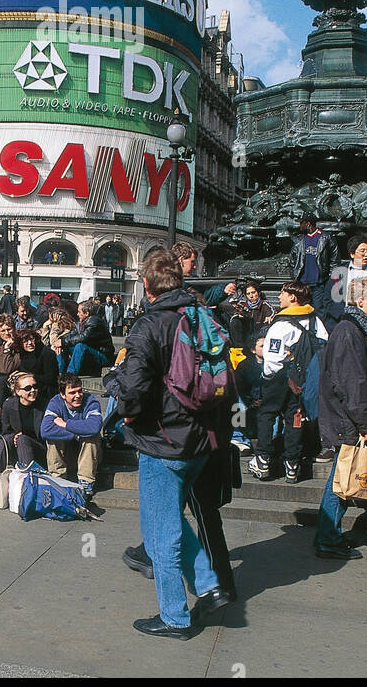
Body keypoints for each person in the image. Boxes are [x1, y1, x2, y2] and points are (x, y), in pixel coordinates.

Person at [116, 248, 230, 639]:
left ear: (147, 286)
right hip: (200, 439)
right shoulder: (201, 315)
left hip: (162, 443)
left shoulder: (149, 325)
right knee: (171, 521)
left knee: (159, 532)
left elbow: (134, 389)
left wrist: (126, 409)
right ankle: (207, 584)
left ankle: (175, 618)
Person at [314, 278, 367, 559]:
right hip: (349, 422)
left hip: (348, 419)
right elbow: (352, 383)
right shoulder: (350, 331)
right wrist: (366, 423)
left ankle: (328, 536)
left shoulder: (354, 329)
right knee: (341, 482)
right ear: (359, 301)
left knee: (342, 479)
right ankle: (327, 538)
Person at [249, 281, 328, 484]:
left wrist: (267, 376)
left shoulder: (282, 323)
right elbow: (323, 343)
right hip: (303, 378)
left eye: (283, 293)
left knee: (267, 413)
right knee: (295, 418)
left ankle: (263, 459)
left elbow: (272, 355)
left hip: (280, 376)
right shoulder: (314, 319)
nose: (280, 297)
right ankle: (292, 463)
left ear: (293, 297)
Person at [41, 373, 103, 498]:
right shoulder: (55, 403)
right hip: (66, 453)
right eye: (72, 393)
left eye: (80, 391)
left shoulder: (90, 401)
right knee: (53, 439)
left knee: (91, 436)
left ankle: (85, 482)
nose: (78, 396)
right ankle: (57, 479)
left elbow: (94, 427)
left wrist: (65, 424)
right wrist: (76, 434)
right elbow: (46, 430)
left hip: (89, 456)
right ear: (62, 394)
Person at [0, 371, 48, 490]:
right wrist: (14, 435)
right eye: (28, 388)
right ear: (18, 391)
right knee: (6, 439)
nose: (33, 390)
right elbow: (6, 430)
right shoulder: (9, 405)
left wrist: (21, 436)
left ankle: (28, 486)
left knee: (22, 439)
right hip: (18, 449)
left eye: (35, 387)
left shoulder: (44, 405)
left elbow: (45, 434)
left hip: (39, 450)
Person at [321, 235, 367, 332]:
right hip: (340, 322)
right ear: (352, 254)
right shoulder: (339, 272)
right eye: (362, 251)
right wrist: (341, 314)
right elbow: (328, 298)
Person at [59, 301, 115, 377]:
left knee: (79, 346)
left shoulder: (95, 322)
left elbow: (83, 337)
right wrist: (60, 340)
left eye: (79, 312)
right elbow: (71, 334)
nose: (77, 314)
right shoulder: (81, 322)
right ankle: (59, 372)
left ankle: (71, 375)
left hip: (102, 356)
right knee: (62, 345)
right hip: (90, 352)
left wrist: (63, 341)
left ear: (87, 313)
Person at [290, 215, 333, 310]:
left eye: (302, 223)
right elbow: (292, 259)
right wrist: (294, 276)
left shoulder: (325, 237)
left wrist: (329, 277)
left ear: (308, 223)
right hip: (302, 283)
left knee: (319, 309)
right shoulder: (299, 239)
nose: (300, 226)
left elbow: (334, 259)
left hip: (319, 283)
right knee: (302, 309)